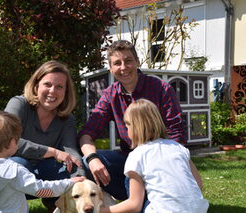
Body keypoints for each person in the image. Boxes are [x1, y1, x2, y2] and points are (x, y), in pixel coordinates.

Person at [78, 40, 186, 201]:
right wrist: (93, 160)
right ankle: (133, 197)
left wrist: (162, 164)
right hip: (130, 158)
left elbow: (177, 133)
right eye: (117, 63)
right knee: (86, 162)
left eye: (128, 61)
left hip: (161, 159)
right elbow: (87, 133)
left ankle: (148, 197)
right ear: (111, 68)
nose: (123, 67)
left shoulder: (161, 89)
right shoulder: (110, 95)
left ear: (137, 62)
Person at [100, 99, 209, 213]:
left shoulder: (137, 156)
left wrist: (100, 211)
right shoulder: (178, 147)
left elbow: (134, 205)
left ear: (136, 127)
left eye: (128, 125)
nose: (126, 129)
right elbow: (198, 184)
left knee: (131, 181)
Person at [4, 60, 85, 213]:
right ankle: (1, 212)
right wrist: (53, 152)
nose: (52, 91)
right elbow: (7, 141)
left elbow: (71, 152)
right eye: (47, 84)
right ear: (36, 86)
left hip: (39, 172)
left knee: (60, 168)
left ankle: (54, 205)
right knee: (18, 164)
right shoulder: (18, 104)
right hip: (6, 170)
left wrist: (81, 179)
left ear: (66, 92)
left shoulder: (67, 119)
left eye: (59, 87)